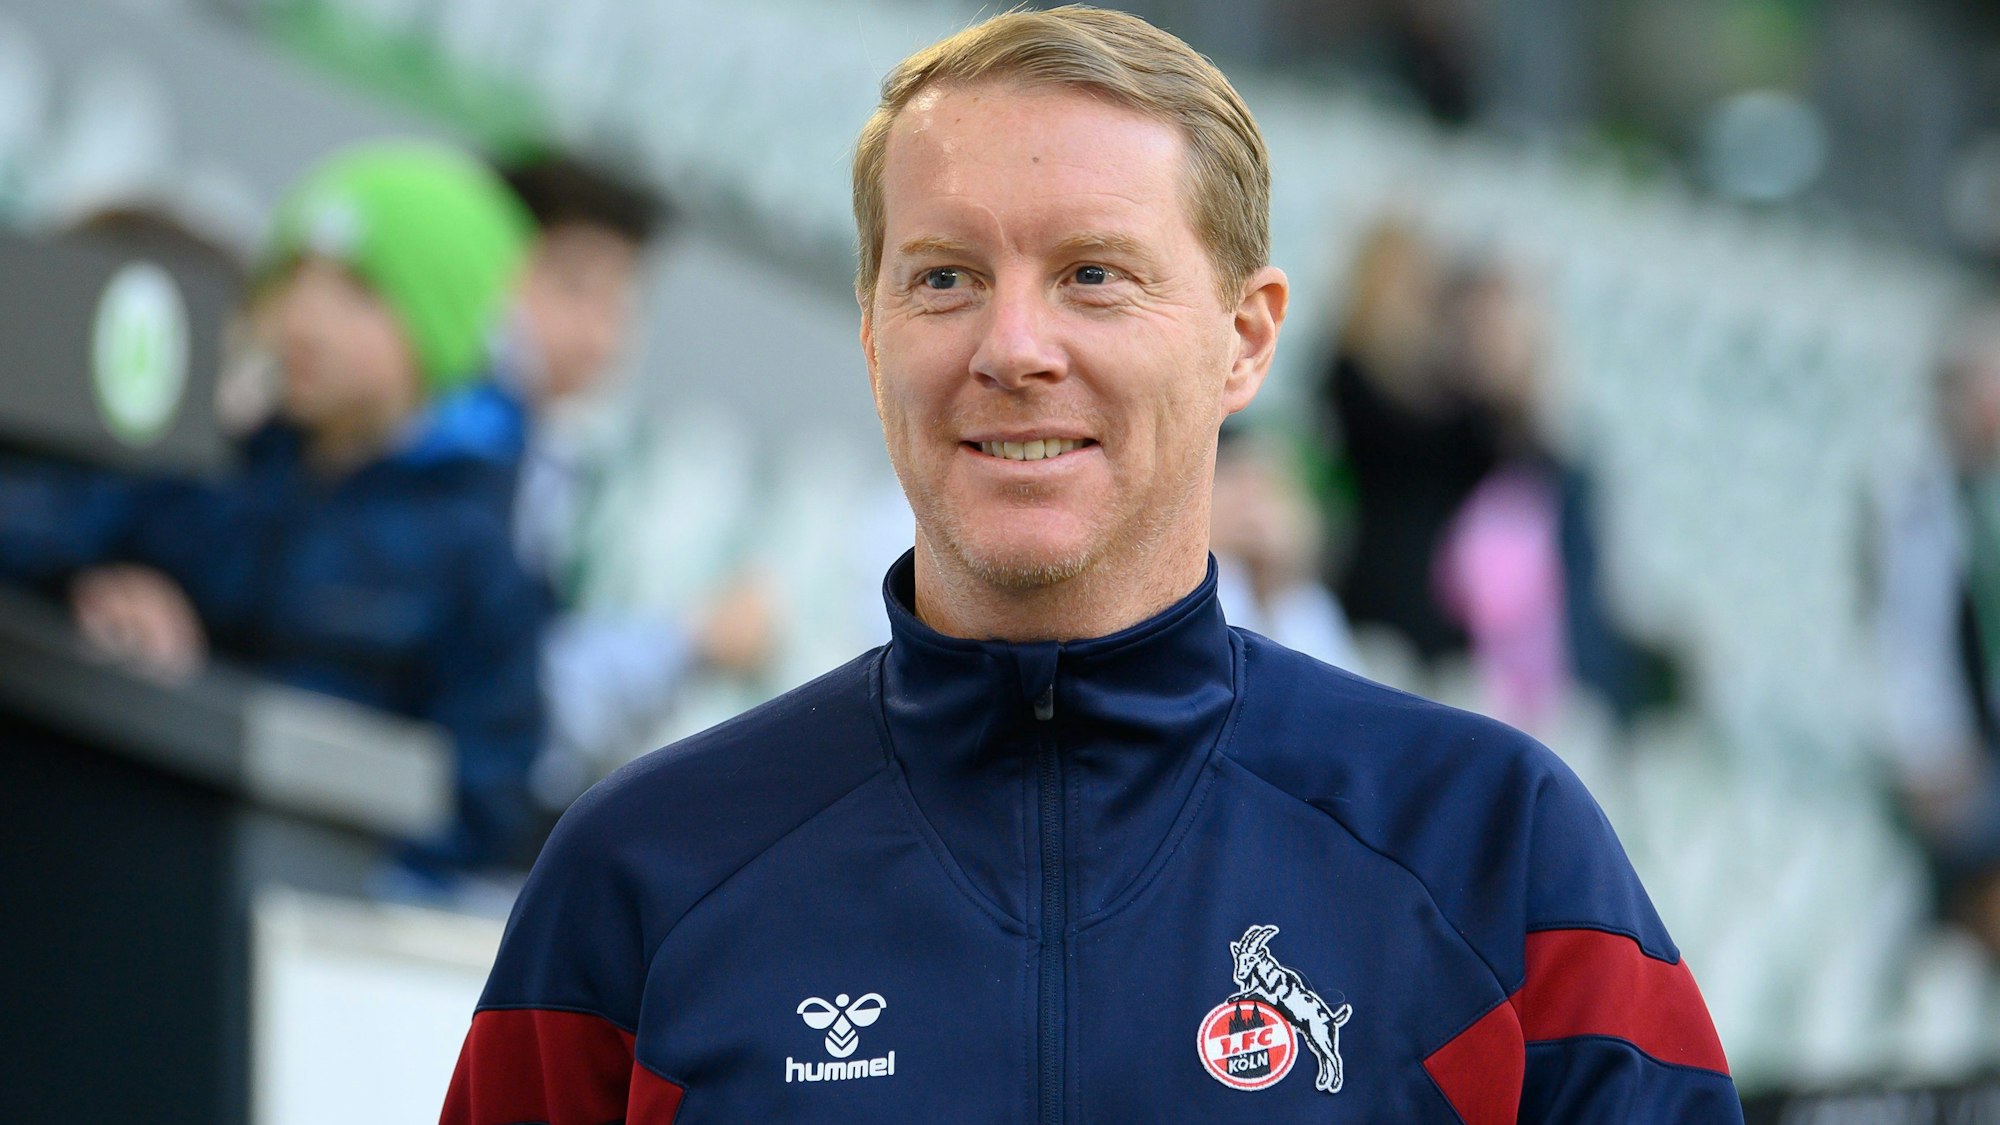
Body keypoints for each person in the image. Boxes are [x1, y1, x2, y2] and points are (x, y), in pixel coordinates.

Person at [442, 8, 1738, 1122]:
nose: (1012, 346)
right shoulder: (641, 871)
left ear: (1245, 338)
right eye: (945, 276)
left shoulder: (1492, 852)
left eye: (1094, 276)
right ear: (872, 331)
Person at [0, 141, 547, 883]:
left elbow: (485, 799)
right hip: (108, 850)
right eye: (293, 276)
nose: (306, 319)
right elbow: (40, 531)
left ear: (438, 333)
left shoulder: (476, 557)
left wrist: (332, 848)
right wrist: (90, 586)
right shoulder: (213, 451)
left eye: (359, 292)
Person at [492, 154, 775, 812]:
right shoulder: (467, 448)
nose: (602, 331)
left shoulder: (554, 454)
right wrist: (691, 640)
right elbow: (529, 693)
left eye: (620, 303)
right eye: (574, 288)